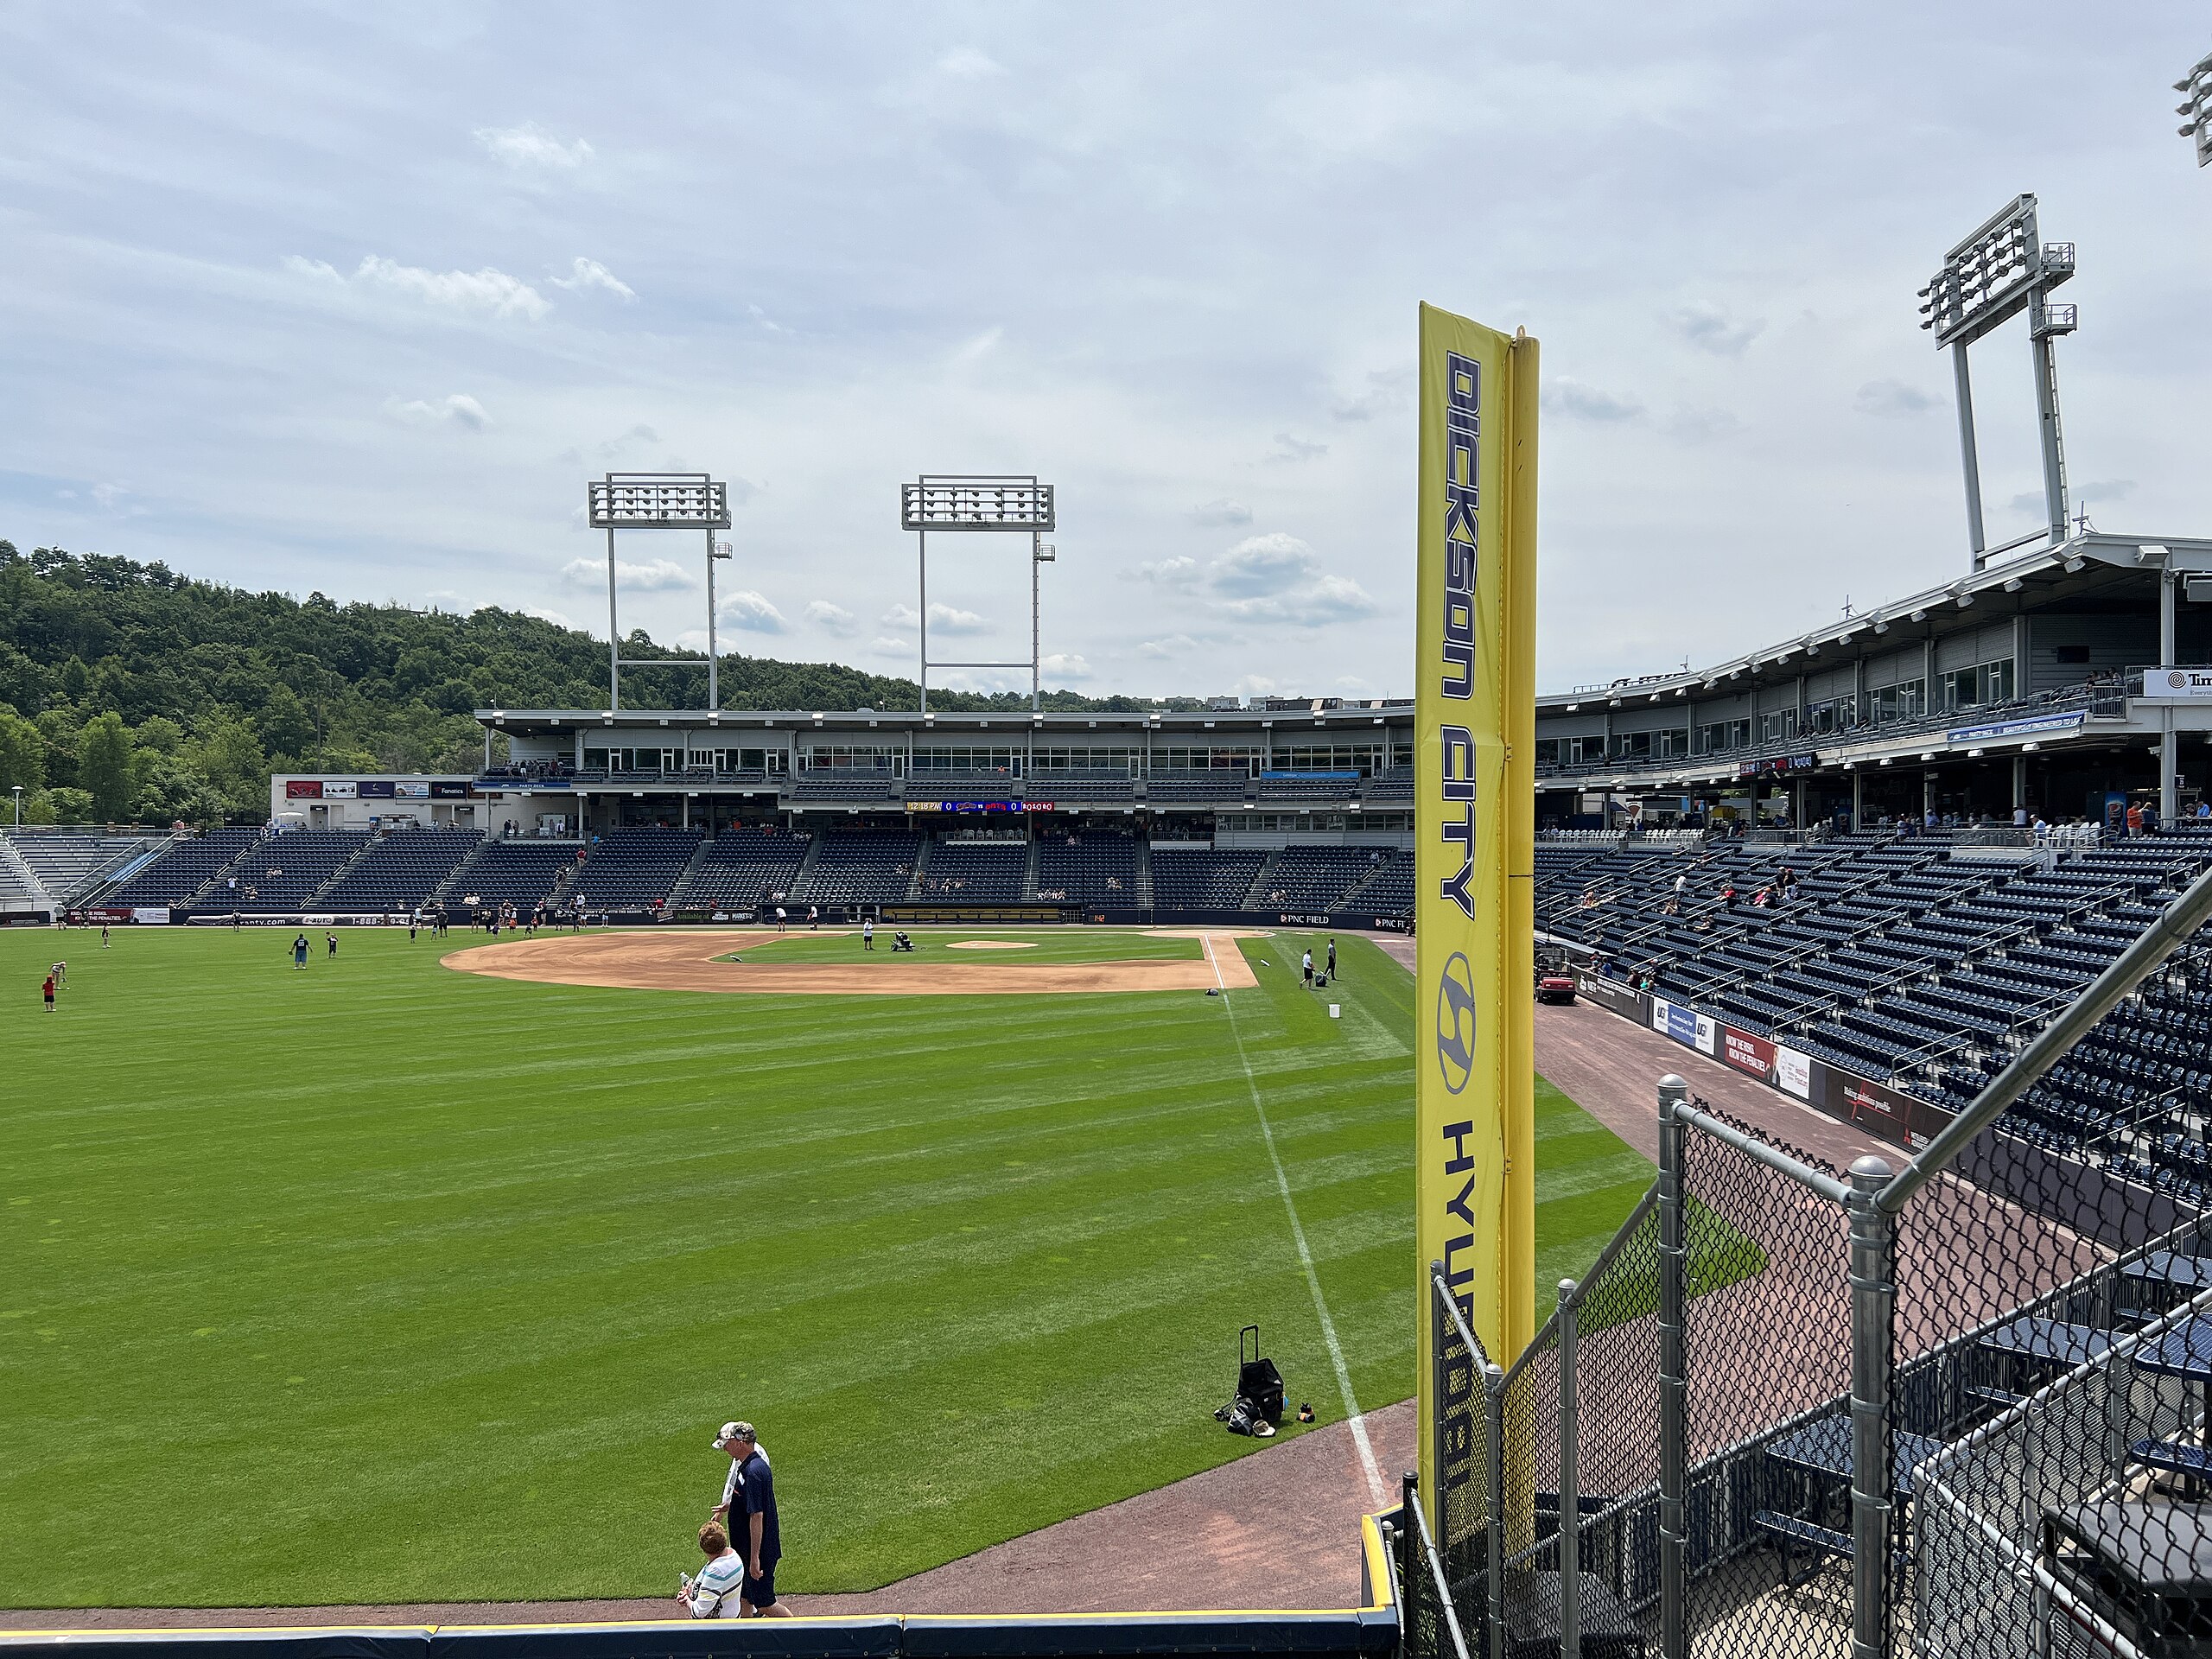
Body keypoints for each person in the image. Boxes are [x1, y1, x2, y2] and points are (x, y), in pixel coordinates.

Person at [709, 1422, 788, 1618]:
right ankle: (745, 1645)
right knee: (744, 1598)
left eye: (728, 1443)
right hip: (747, 1550)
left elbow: (757, 1515)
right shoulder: (749, 1467)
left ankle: (801, 1636)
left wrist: (754, 1559)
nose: (725, 1448)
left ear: (740, 1442)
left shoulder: (753, 1472)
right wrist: (732, 1505)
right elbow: (752, 1501)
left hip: (758, 1551)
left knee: (764, 1604)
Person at [677, 1522, 745, 1619]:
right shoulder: (733, 1555)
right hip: (731, 1622)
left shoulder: (716, 1571)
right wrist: (692, 1590)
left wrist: (687, 1600)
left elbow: (699, 1611)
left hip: (716, 1629)